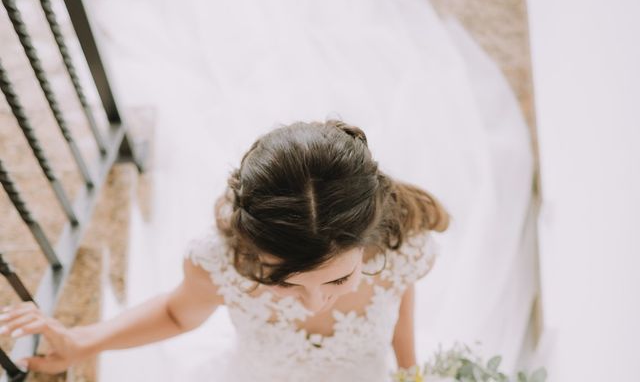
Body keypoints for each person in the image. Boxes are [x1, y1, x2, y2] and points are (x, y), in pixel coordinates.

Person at [0, 119, 449, 381]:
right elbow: (177, 314)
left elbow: (398, 309)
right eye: (286, 282)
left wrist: (410, 375)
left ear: (369, 243)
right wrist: (81, 341)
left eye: (338, 279)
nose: (317, 300)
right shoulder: (222, 262)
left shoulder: (399, 248)